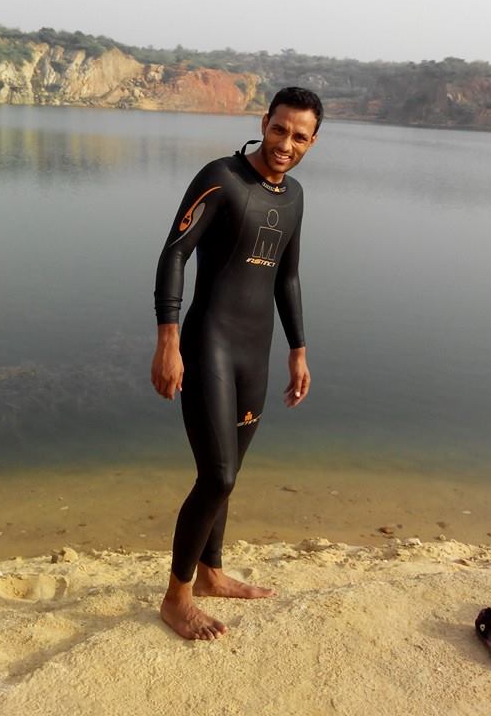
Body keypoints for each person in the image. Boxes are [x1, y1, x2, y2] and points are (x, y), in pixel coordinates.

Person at [150, 86, 323, 640]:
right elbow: (174, 252)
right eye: (279, 130)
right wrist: (168, 341)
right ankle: (176, 598)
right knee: (218, 474)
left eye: (300, 137)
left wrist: (299, 349)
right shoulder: (221, 178)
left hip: (258, 350)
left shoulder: (294, 196)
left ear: (312, 141)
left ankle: (211, 574)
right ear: (263, 122)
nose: (286, 145)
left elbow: (288, 277)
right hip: (208, 344)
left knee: (227, 475)